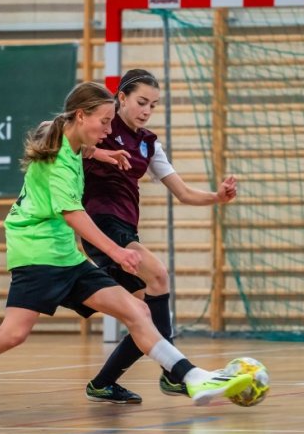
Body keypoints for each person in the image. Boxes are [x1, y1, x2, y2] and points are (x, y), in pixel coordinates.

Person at [0, 82, 252, 418]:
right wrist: (117, 253)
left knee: (137, 311)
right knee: (13, 333)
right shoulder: (57, 162)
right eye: (103, 122)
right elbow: (74, 215)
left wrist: (100, 150)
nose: (107, 129)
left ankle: (193, 379)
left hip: (65, 255)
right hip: (37, 252)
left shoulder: (70, 140)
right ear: (81, 115)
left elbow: (76, 143)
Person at [80, 69, 238, 404]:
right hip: (100, 224)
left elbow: (182, 192)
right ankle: (174, 374)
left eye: (153, 104)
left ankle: (103, 383)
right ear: (120, 97)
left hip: (125, 227)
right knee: (159, 274)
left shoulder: (149, 143)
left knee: (143, 318)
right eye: (141, 102)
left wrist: (217, 197)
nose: (147, 110)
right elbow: (60, 139)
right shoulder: (100, 126)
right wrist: (98, 152)